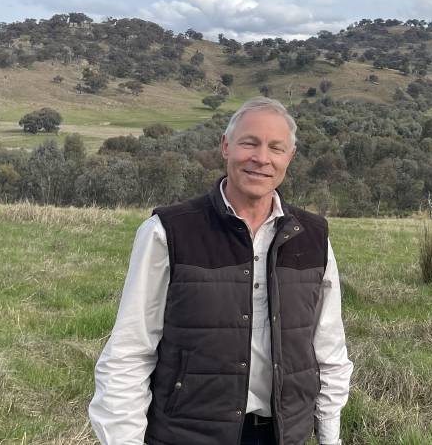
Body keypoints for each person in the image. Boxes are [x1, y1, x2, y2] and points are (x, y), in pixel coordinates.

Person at [89, 97, 352, 445]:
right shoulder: (167, 231)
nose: (262, 158)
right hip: (188, 434)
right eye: (249, 142)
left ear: (291, 156)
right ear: (226, 146)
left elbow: (328, 348)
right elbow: (129, 352)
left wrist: (329, 437)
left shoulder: (313, 236)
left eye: (276, 147)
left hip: (282, 435)